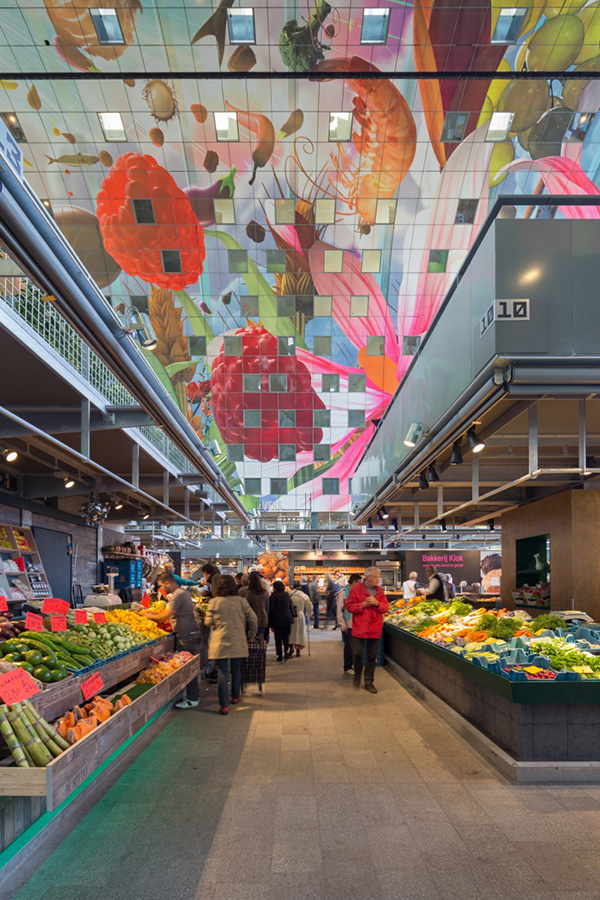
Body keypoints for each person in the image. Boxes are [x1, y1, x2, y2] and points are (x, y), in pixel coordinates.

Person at [142, 572, 202, 709]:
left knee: (188, 667)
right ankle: (192, 696)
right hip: (189, 633)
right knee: (188, 665)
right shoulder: (182, 592)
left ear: (168, 583)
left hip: (187, 635)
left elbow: (166, 616)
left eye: (162, 585)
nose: (162, 588)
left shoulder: (177, 595)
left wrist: (148, 615)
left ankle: (192, 698)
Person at [204, 574, 257, 715]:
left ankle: (224, 705)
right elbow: (253, 619)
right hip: (238, 640)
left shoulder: (214, 602)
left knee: (222, 672)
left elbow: (207, 622)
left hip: (219, 641)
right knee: (236, 670)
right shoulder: (241, 601)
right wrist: (251, 635)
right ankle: (235, 696)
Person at [345, 567, 389, 694]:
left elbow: (385, 608)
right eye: (376, 577)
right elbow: (348, 606)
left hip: (374, 629)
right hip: (359, 628)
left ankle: (369, 681)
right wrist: (362, 605)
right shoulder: (356, 590)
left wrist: (377, 603)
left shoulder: (380, 591)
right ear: (368, 577)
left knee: (372, 656)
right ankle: (358, 675)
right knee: (356, 653)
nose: (378, 579)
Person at [337, 573, 362, 674]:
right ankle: (347, 666)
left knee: (356, 647)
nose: (361, 585)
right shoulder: (343, 594)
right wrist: (342, 625)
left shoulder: (358, 592)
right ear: (354, 581)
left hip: (357, 624)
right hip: (348, 625)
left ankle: (353, 664)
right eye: (359, 582)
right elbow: (339, 611)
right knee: (348, 646)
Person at [268, 580, 294, 661]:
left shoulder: (273, 597)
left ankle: (279, 655)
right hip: (287, 618)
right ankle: (286, 651)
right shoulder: (286, 594)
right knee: (286, 637)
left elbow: (271, 610)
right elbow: (290, 605)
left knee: (278, 638)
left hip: (277, 620)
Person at [289, 582, 313, 657]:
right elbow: (310, 606)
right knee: (300, 632)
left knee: (291, 633)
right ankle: (298, 650)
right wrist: (308, 614)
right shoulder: (304, 596)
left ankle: (290, 648)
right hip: (300, 615)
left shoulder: (289, 594)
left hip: (291, 615)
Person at [243, 571, 270, 639]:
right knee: (261, 638)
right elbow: (267, 607)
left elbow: (246, 607)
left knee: (251, 638)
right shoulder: (265, 593)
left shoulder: (249, 593)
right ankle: (261, 649)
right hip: (262, 618)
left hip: (251, 619)